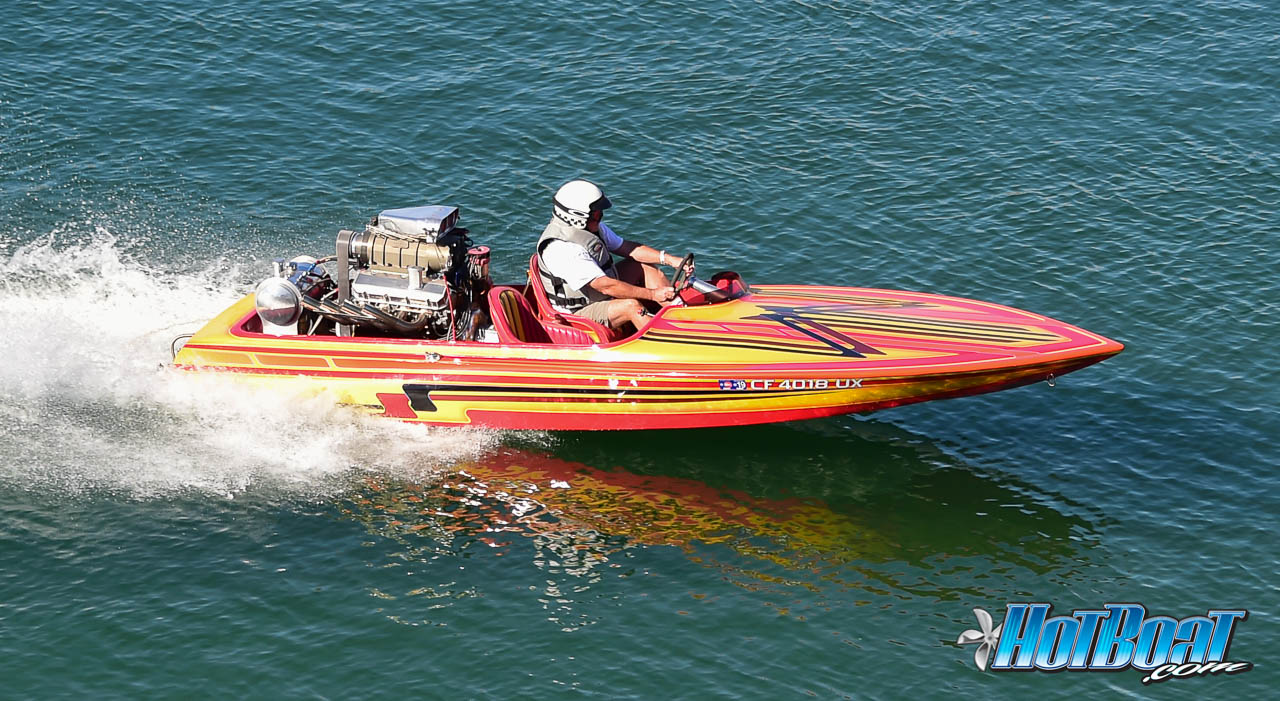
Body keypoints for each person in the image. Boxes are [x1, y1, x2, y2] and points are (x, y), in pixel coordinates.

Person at [536, 179, 684, 331]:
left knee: (643, 267)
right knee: (631, 306)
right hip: (578, 313)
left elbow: (626, 247)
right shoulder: (561, 248)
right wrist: (652, 295)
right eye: (596, 214)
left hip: (598, 295)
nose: (600, 216)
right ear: (577, 216)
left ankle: (682, 317)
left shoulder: (591, 229)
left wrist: (670, 260)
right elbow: (606, 286)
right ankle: (668, 338)